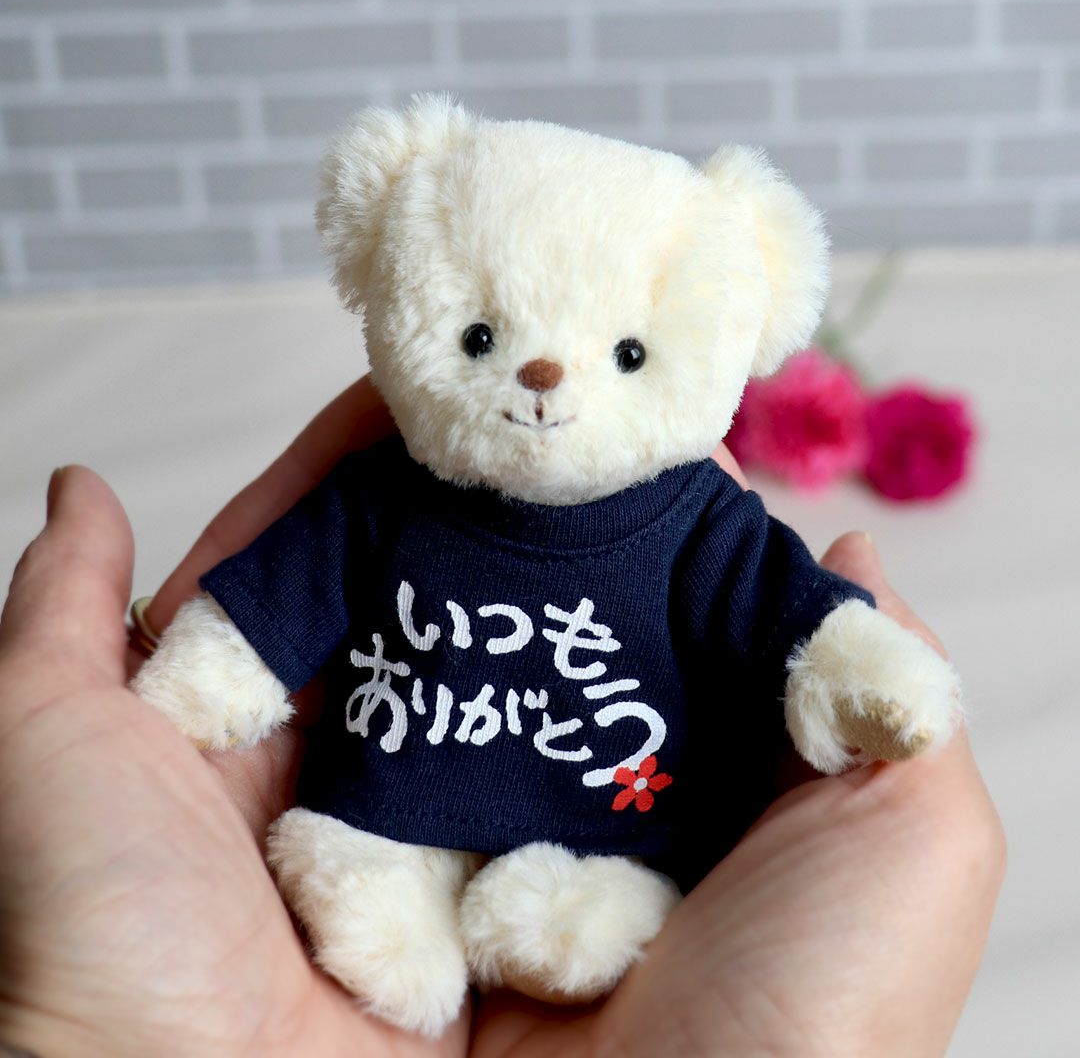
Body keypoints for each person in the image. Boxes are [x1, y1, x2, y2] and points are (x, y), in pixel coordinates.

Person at [0, 377, 1005, 1057]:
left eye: (625, 354)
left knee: (594, 906)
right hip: (384, 805)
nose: (543, 378)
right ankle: (394, 898)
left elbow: (776, 604)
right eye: (481, 340)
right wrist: (214, 678)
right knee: (362, 886)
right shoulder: (385, 491)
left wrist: (857, 668)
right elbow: (289, 588)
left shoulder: (697, 515)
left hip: (615, 832)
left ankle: (574, 908)